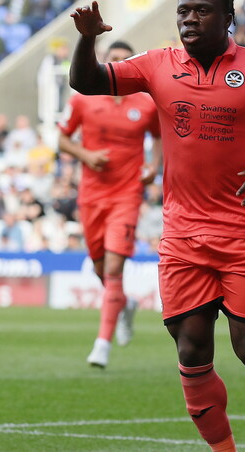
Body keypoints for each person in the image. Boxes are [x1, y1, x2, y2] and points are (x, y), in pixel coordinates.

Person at [69, 0, 245, 451]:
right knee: (191, 352)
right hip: (183, 237)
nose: (190, 18)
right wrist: (88, 38)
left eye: (202, 11)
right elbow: (86, 82)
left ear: (228, 18)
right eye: (183, 11)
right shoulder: (158, 65)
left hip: (242, 235)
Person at [58, 40, 162, 369]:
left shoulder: (145, 103)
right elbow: (61, 138)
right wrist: (86, 155)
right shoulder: (83, 99)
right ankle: (125, 303)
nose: (117, 64)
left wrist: (153, 165)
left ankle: (101, 344)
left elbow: (159, 136)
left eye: (123, 60)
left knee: (114, 269)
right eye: (112, 59)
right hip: (91, 196)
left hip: (127, 194)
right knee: (102, 269)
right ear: (104, 63)